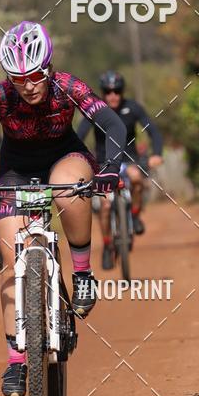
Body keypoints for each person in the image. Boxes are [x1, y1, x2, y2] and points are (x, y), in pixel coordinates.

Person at [0, 22, 126, 396]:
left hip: (65, 157)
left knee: (68, 190)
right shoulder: (0, 95)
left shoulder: (68, 87)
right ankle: (16, 359)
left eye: (36, 75)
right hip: (15, 171)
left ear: (49, 68)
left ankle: (84, 274)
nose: (29, 85)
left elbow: (111, 122)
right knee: (10, 261)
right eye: (18, 77)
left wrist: (110, 168)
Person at [77, 71, 163, 270]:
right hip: (103, 163)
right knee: (105, 206)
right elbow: (79, 135)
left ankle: (134, 215)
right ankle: (107, 245)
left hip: (129, 159)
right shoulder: (95, 109)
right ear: (103, 93)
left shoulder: (133, 108)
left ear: (122, 91)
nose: (112, 95)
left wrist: (156, 153)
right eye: (107, 91)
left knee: (136, 178)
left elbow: (153, 131)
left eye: (117, 91)